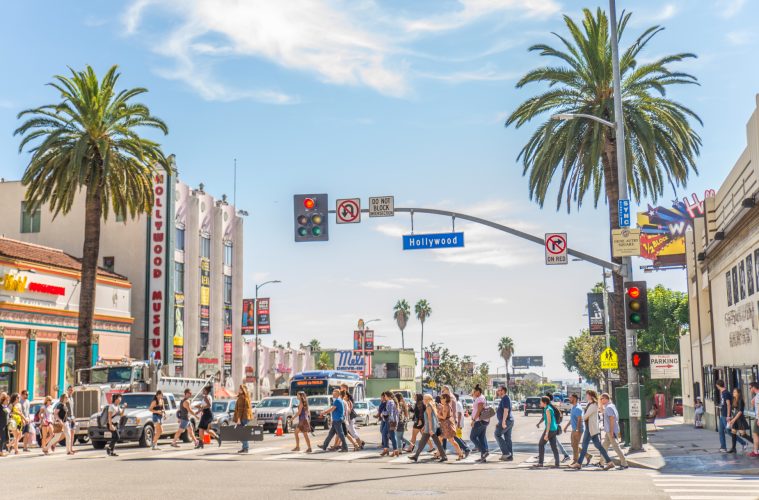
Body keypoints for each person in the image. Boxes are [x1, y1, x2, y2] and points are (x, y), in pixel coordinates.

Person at [570, 390, 614, 470]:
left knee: (585, 446)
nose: (586, 396)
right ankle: (610, 462)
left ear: (590, 396)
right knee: (598, 446)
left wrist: (579, 418)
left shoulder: (593, 405)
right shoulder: (590, 404)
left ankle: (578, 463)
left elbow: (586, 416)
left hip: (591, 429)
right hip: (590, 428)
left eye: (587, 395)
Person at [409, 394, 447, 462]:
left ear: (427, 400)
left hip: (430, 428)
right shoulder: (431, 405)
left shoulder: (429, 407)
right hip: (429, 427)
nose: (423, 400)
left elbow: (430, 418)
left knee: (434, 442)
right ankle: (416, 456)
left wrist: (430, 429)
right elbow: (429, 418)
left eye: (424, 399)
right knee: (424, 442)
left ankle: (444, 456)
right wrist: (424, 426)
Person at [599, 393, 627, 468]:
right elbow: (602, 411)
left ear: (605, 399)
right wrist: (600, 404)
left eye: (601, 399)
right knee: (604, 446)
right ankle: (601, 462)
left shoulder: (609, 408)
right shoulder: (611, 406)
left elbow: (612, 419)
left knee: (616, 446)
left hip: (611, 431)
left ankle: (624, 463)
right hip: (609, 431)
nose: (600, 400)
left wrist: (611, 432)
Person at [532, 396, 560, 468]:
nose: (540, 403)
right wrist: (539, 423)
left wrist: (546, 433)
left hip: (550, 429)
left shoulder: (548, 409)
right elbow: (545, 419)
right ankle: (557, 463)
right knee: (554, 447)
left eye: (541, 402)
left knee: (541, 444)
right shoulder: (547, 408)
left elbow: (549, 422)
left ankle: (540, 463)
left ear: (544, 402)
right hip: (554, 429)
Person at [437, 393, 464, 460]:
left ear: (445, 399)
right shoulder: (446, 405)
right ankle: (438, 453)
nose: (440, 399)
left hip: (447, 426)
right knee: (440, 439)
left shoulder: (446, 406)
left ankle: (460, 454)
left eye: (442, 398)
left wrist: (437, 414)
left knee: (452, 441)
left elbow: (444, 417)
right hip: (446, 425)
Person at [470, 384, 490, 463]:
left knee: (472, 437)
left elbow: (479, 411)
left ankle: (484, 452)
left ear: (478, 391)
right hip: (482, 421)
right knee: (481, 438)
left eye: (474, 391)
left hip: (479, 421)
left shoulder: (480, 399)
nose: (473, 393)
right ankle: (483, 456)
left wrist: (474, 420)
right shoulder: (479, 398)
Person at [493, 385, 514, 461]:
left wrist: (503, 422)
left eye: (499, 390)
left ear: (503, 391)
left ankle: (506, 453)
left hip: (507, 420)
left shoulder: (505, 398)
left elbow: (506, 410)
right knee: (507, 438)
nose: (497, 392)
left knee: (497, 434)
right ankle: (509, 456)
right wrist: (500, 422)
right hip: (509, 420)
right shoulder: (504, 398)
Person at [727, 387, 750, 454]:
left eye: (735, 392)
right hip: (735, 418)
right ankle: (733, 448)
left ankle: (756, 444)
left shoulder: (740, 400)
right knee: (733, 432)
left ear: (738, 393)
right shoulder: (734, 400)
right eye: (733, 392)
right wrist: (731, 418)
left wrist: (733, 419)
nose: (733, 393)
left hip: (739, 419)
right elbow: (735, 411)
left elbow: (740, 412)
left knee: (743, 434)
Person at [563, 393, 584, 464]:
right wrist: (566, 426)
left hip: (578, 429)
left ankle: (576, 461)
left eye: (570, 397)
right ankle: (587, 455)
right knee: (573, 445)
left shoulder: (578, 408)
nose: (569, 399)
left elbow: (579, 420)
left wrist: (577, 429)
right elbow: (572, 419)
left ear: (574, 399)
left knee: (575, 445)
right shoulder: (573, 407)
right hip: (574, 429)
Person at [234, 384, 253, 453]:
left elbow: (240, 409)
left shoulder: (242, 397)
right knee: (241, 432)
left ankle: (246, 447)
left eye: (240, 389)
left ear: (243, 390)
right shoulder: (246, 397)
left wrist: (238, 419)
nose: (239, 390)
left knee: (239, 432)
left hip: (243, 417)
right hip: (245, 417)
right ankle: (244, 447)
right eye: (239, 389)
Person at [381, 391, 400, 456]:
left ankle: (394, 450)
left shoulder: (390, 402)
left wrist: (383, 413)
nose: (384, 397)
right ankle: (389, 449)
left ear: (387, 396)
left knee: (390, 434)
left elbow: (390, 412)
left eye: (385, 396)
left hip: (390, 421)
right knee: (386, 433)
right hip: (392, 420)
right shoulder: (393, 401)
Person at [64, 386, 76, 453]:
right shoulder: (66, 398)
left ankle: (71, 448)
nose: (71, 391)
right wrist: (68, 417)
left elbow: (72, 409)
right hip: (68, 418)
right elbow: (65, 408)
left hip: (72, 417)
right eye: (69, 390)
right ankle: (53, 444)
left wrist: (73, 417)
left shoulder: (72, 398)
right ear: (67, 390)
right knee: (66, 434)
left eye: (72, 390)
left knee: (72, 433)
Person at [749, 383, 759, 457]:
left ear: (754, 387)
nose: (749, 389)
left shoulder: (758, 396)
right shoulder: (757, 395)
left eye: (750, 388)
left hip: (758, 418)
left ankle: (755, 451)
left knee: (755, 434)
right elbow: (752, 402)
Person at [0, 392, 9, 457]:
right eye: (7, 400)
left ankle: (3, 450)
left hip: (6, 425)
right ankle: (1, 452)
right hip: (1, 425)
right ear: (4, 400)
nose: (8, 401)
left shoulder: (6, 407)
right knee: (2, 438)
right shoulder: (0, 407)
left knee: (6, 438)